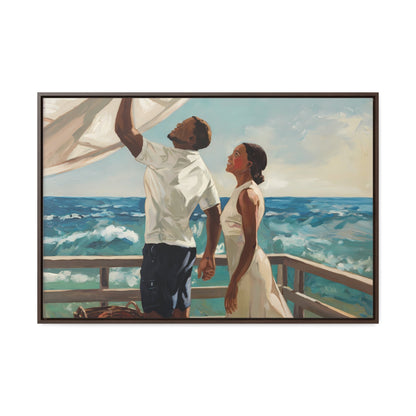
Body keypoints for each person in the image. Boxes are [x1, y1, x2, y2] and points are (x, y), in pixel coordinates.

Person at [115, 98, 221, 319]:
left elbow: (124, 130)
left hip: (161, 251)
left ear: (191, 138)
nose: (177, 124)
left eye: (182, 124)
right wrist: (209, 254)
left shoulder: (165, 156)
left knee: (155, 318)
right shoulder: (202, 169)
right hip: (185, 252)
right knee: (179, 315)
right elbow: (214, 212)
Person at [221, 143, 293, 318]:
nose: (230, 157)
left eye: (236, 154)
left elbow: (250, 242)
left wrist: (234, 281)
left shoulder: (248, 195)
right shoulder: (241, 191)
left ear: (249, 164)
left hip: (248, 271)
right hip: (243, 269)